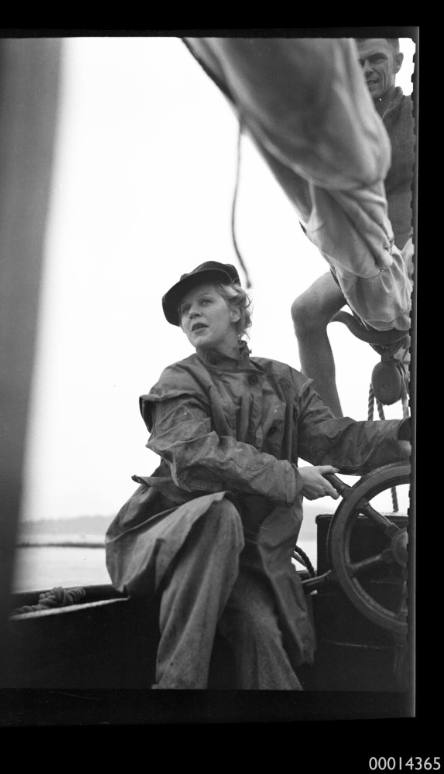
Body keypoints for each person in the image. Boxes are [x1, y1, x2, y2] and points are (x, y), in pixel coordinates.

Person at [105, 261, 411, 690]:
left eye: (204, 302)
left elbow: (337, 441)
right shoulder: (179, 379)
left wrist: (401, 435)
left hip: (246, 560)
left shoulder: (284, 382)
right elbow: (194, 456)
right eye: (185, 310)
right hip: (165, 541)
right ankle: (176, 688)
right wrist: (291, 478)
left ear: (235, 311)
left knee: (262, 630)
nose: (191, 314)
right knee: (219, 516)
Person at [291, 38, 415, 415]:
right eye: (357, 63)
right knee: (305, 312)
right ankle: (329, 428)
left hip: (409, 251)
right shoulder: (344, 126)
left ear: (398, 60)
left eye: (376, 59)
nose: (366, 71)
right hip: (366, 257)